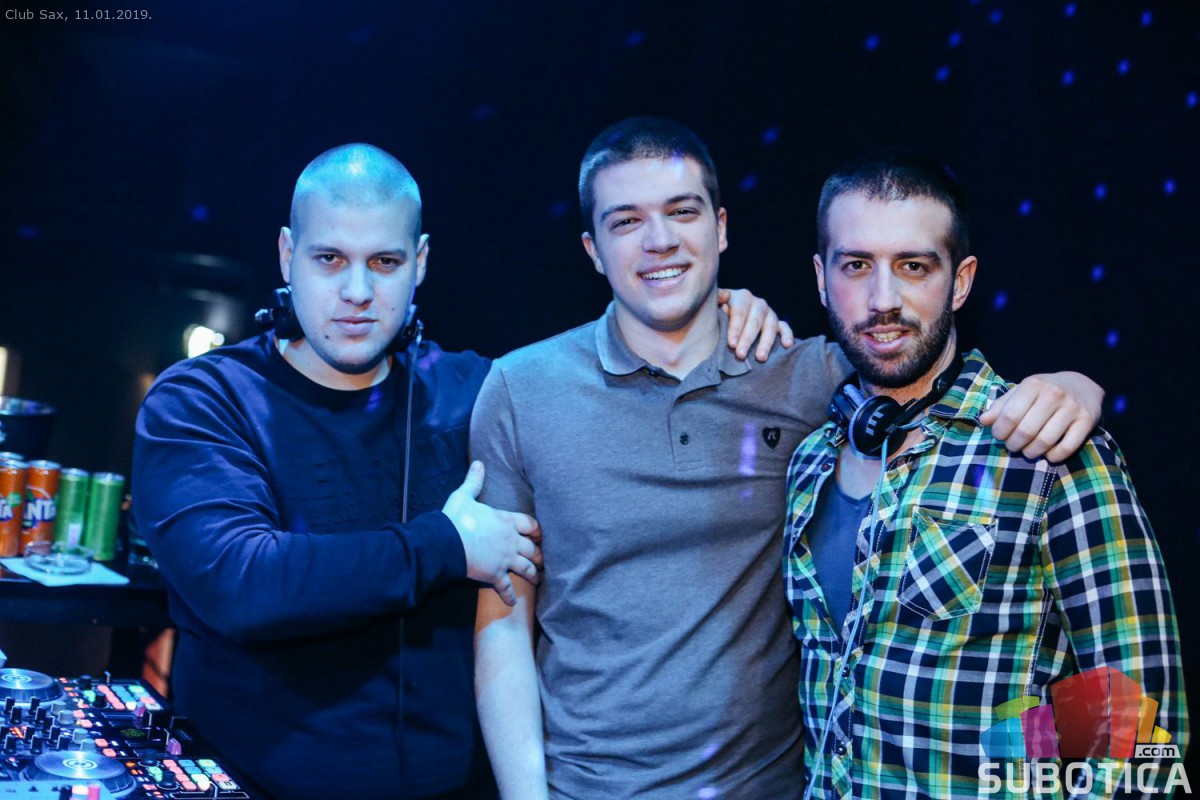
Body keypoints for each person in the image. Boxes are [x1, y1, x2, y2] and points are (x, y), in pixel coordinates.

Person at [132, 142, 794, 799]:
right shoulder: (204, 400)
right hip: (245, 788)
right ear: (287, 254)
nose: (357, 292)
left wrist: (713, 317)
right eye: (329, 259)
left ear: (420, 263)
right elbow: (240, 584)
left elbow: (632, 397)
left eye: (385, 262)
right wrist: (446, 546)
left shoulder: (478, 395)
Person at [471, 118, 1105, 799]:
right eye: (626, 221)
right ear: (592, 249)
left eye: (681, 212)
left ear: (720, 228)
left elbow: (922, 366)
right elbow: (503, 620)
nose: (659, 241)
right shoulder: (519, 390)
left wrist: (1077, 387)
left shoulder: (809, 377)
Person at [783, 153, 1187, 798]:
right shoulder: (809, 463)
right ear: (821, 279)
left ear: (961, 282)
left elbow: (1137, 733)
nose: (883, 300)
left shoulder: (1046, 447)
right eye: (856, 265)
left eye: (914, 266)